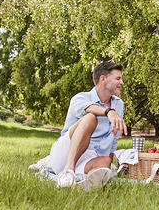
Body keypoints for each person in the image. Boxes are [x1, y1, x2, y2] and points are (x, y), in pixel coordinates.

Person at [50, 60, 127, 188]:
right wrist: (109, 112)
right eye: (118, 78)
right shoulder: (80, 98)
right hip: (65, 154)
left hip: (90, 158)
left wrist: (109, 162)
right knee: (91, 118)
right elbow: (89, 108)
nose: (122, 82)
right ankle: (68, 171)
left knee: (106, 161)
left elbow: (113, 139)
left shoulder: (118, 104)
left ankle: (86, 184)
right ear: (103, 79)